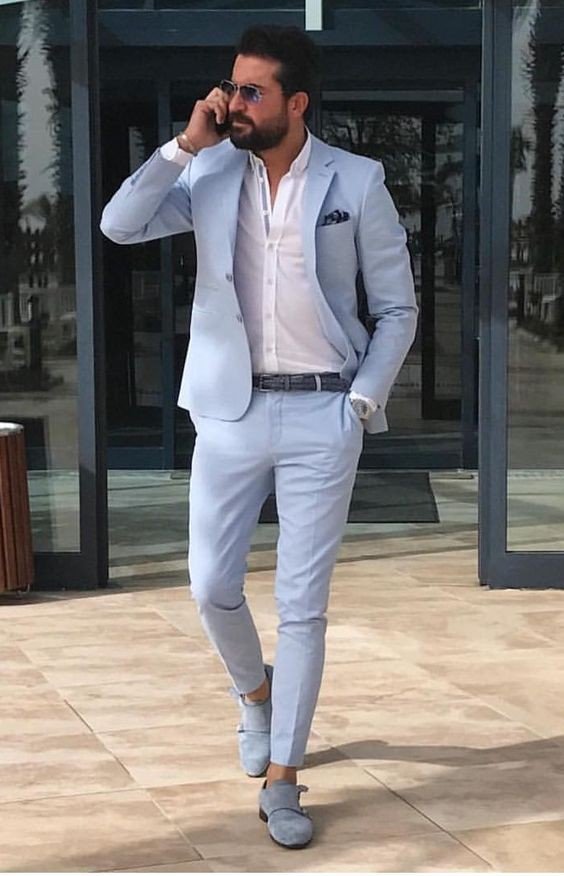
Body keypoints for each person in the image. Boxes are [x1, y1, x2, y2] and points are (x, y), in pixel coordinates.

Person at [100, 24, 417, 850]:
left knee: (303, 607)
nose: (232, 101)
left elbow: (397, 308)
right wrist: (182, 145)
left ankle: (284, 776)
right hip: (229, 412)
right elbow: (118, 226)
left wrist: (361, 402)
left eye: (251, 91)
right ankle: (255, 695)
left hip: (323, 413)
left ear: (295, 102)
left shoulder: (358, 180)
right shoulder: (207, 171)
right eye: (230, 86)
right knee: (210, 585)